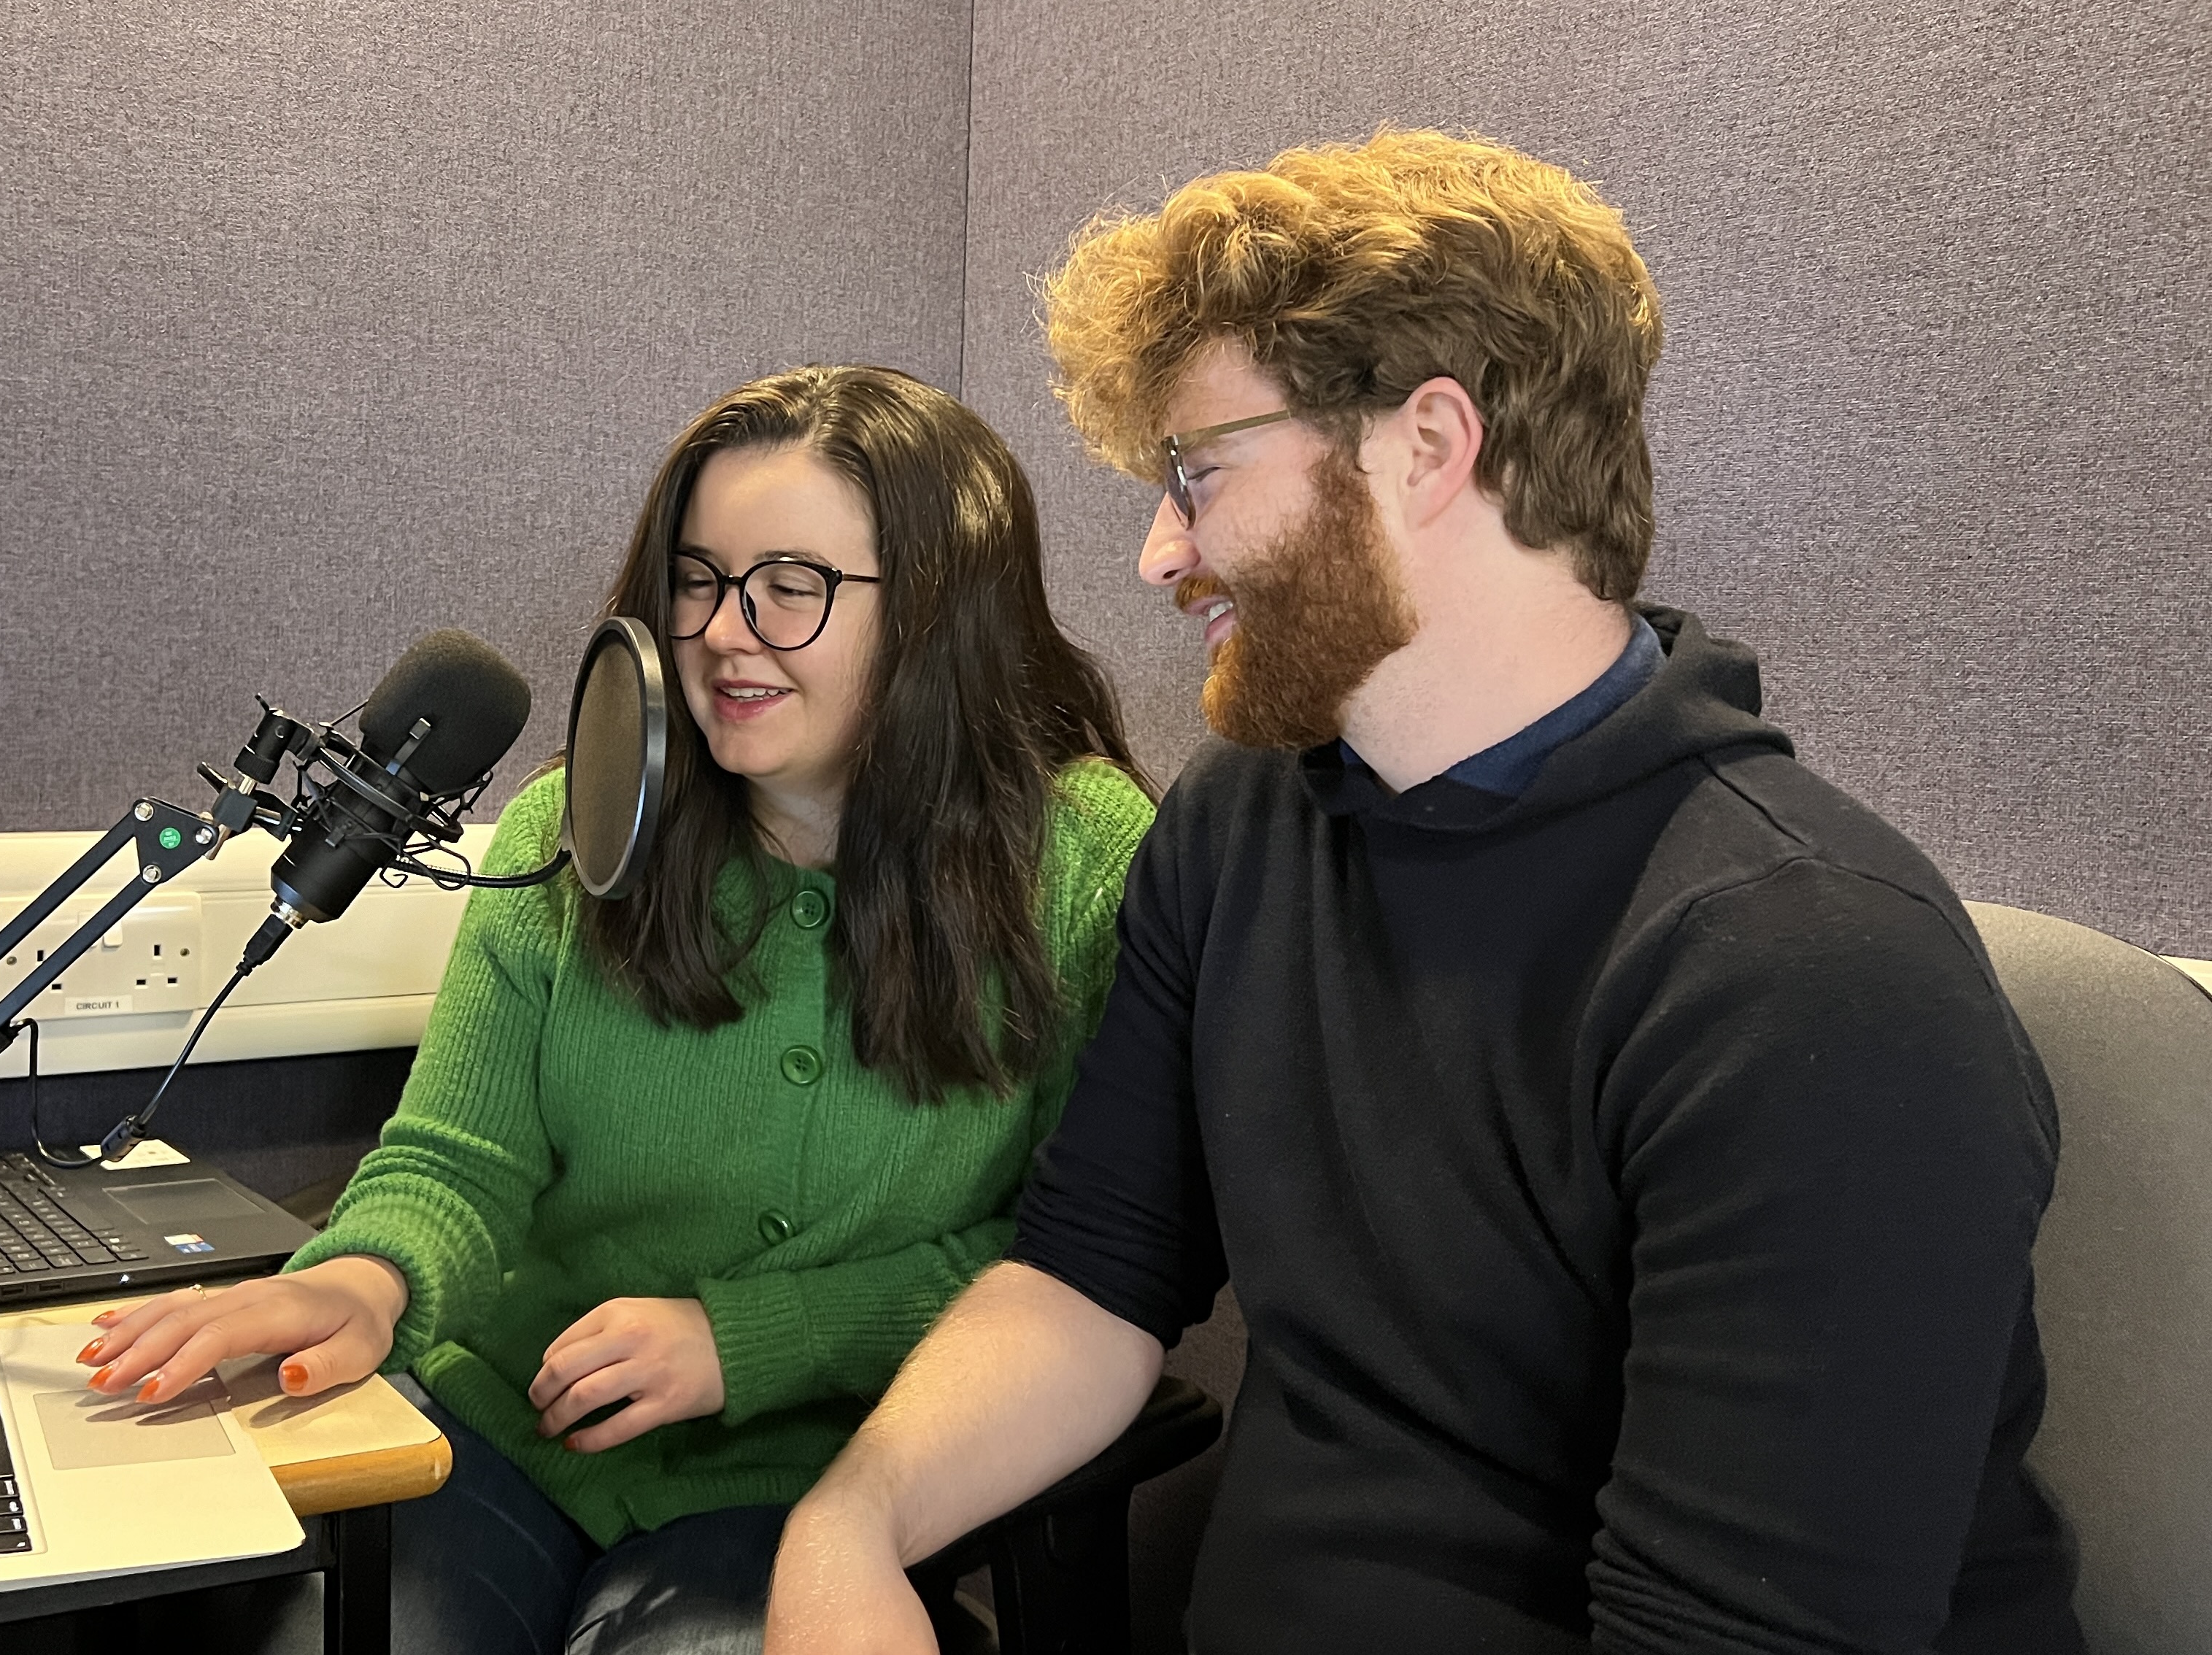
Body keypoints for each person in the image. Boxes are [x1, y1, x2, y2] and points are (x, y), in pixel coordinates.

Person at [766, 132, 2081, 1653]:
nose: (1157, 552)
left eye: (1198, 473)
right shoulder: (1244, 821)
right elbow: (1091, 1278)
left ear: (1430, 443)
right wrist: (849, 1531)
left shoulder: (1815, 978)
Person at [77, 364, 1155, 1652]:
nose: (722, 633)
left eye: (791, 587)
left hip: (815, 1480)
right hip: (504, 1440)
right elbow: (457, 1163)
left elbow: (1080, 1269)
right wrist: (371, 1277)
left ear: (938, 611)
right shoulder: (575, 826)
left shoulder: (1087, 860)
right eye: (696, 581)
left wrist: (752, 1342)